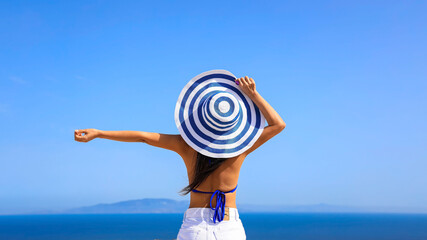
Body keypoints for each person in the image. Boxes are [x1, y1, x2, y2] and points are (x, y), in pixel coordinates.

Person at [74, 76, 286, 239]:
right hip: (229, 228)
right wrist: (253, 94)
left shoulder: (186, 146)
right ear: (233, 124)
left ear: (201, 120)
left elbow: (143, 138)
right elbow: (278, 124)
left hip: (194, 228)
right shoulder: (241, 148)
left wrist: (100, 133)